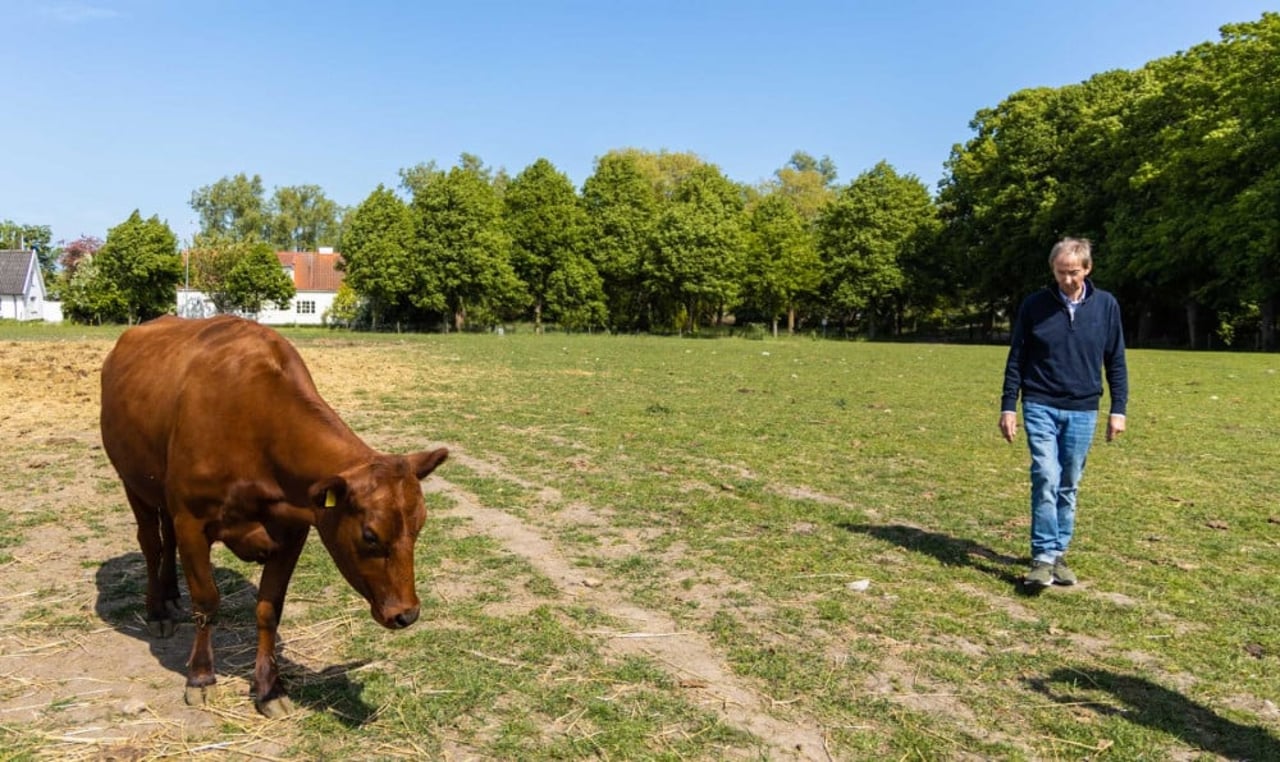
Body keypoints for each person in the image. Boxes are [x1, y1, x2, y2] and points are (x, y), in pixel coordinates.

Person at [999, 237, 1128, 589]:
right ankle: (1041, 558)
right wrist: (1009, 405)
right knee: (1045, 476)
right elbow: (1017, 358)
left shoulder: (1106, 306)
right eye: (1060, 273)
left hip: (1084, 408)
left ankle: (1058, 553)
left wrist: (1119, 409)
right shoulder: (1034, 306)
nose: (1067, 279)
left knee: (1068, 484)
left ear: (1087, 269)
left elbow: (1115, 360)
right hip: (1040, 402)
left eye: (1073, 272)